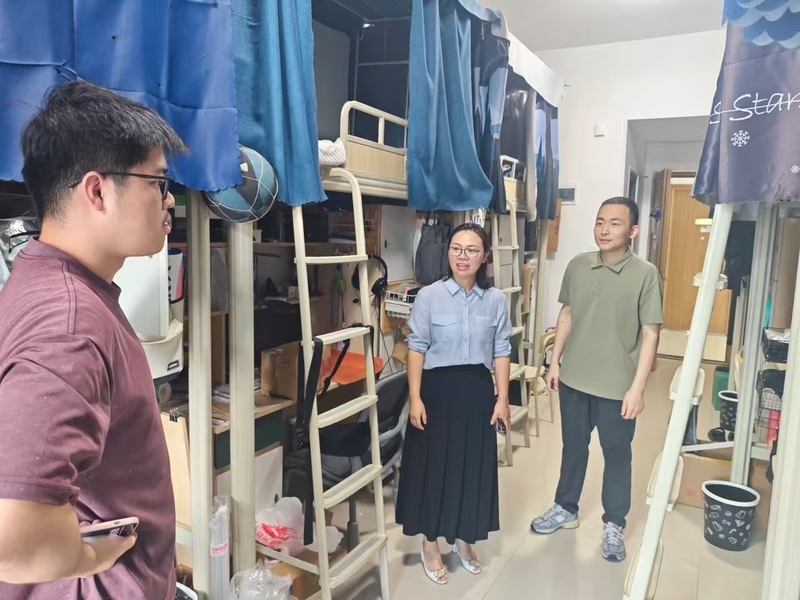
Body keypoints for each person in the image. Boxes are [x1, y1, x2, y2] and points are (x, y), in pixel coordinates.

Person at [0, 81, 187, 599]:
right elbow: (14, 540)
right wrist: (88, 558)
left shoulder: (42, 277)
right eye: (158, 183)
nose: (169, 201)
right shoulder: (71, 325)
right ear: (98, 191)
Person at [530, 197, 663, 562]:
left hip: (617, 388)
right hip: (574, 379)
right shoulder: (578, 265)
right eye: (600, 222)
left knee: (617, 455)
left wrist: (637, 388)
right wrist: (554, 363)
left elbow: (650, 334)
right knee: (573, 447)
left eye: (615, 223)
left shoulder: (645, 274)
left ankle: (614, 523)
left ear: (633, 231)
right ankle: (565, 508)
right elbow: (567, 314)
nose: (605, 230)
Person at [396, 222, 512, 585]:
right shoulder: (429, 296)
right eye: (457, 249)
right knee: (433, 469)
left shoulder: (495, 300)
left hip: (477, 393)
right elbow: (416, 348)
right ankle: (430, 543)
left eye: (472, 250)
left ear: (485, 256)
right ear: (448, 253)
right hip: (437, 392)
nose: (463, 256)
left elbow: (502, 351)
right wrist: (415, 398)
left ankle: (464, 537)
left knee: (471, 467)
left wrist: (502, 399)